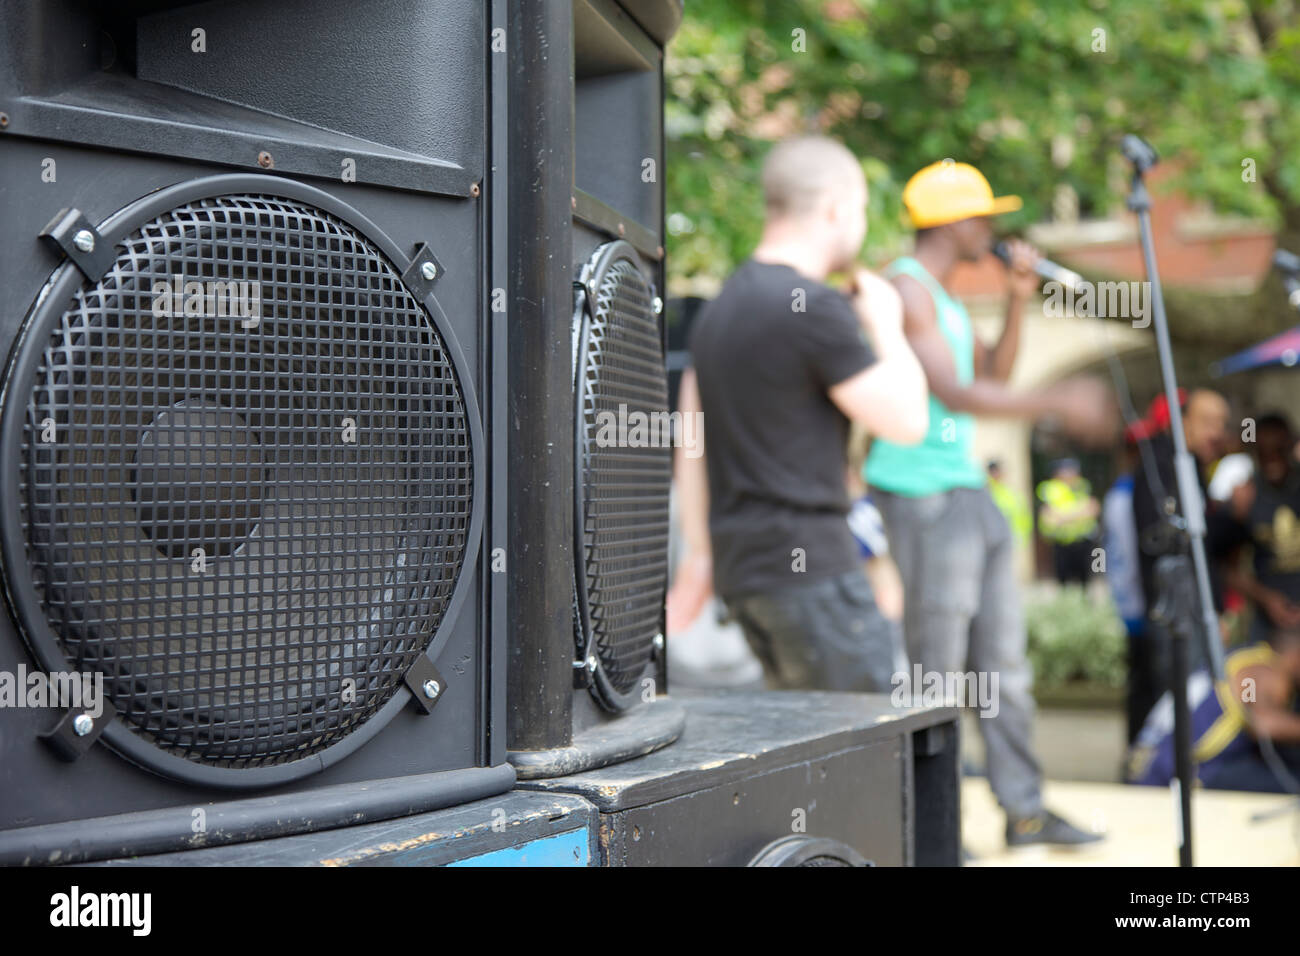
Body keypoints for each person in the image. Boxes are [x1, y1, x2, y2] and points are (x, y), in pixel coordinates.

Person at [864, 160, 1114, 848]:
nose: (994, 228)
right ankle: (932, 826)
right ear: (953, 222)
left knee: (1004, 669)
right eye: (984, 216)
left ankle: (1024, 809)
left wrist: (1016, 298)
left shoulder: (943, 298)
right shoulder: (904, 290)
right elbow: (954, 393)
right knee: (935, 672)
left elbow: (993, 376)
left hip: (968, 491)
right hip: (922, 495)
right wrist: (1059, 400)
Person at [678, 135, 929, 693]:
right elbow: (908, 422)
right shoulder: (813, 307)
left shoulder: (719, 311)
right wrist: (887, 324)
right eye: (861, 210)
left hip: (747, 577)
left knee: (807, 764)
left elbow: (690, 443)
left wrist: (700, 557)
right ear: (837, 206)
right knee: (863, 757)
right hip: (813, 573)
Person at [1129, 388, 1231, 731]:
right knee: (1176, 700)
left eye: (1221, 423)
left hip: (1193, 607)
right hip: (1175, 610)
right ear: (1181, 422)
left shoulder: (1192, 465)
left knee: (1195, 694)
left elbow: (1204, 545)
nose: (1216, 432)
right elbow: (1166, 540)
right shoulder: (1159, 466)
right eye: (1207, 422)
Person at [1127, 626, 1300, 793]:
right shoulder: (1258, 672)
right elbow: (1262, 722)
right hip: (1173, 774)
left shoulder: (1242, 657)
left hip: (1147, 764)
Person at [1222, 412, 1300, 645]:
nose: (1272, 458)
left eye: (1279, 449)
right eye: (1264, 451)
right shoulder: (1247, 496)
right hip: (1269, 626)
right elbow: (1229, 569)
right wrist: (1266, 599)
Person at [1036, 458, 1100, 587]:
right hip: (1061, 540)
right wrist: (1079, 513)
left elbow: (1093, 508)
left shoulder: (1083, 486)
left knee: (1087, 579)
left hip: (1084, 539)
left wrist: (1065, 515)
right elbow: (1049, 516)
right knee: (1062, 579)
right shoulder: (1050, 489)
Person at [987, 460, 1032, 551]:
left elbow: (1023, 516)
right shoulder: (986, 492)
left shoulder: (1011, 493)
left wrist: (1023, 537)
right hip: (991, 542)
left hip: (1011, 540)